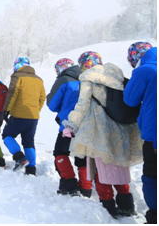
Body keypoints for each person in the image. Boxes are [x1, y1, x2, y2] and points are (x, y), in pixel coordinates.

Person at [62, 51, 142, 218]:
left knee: (101, 170)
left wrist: (71, 125)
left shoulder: (88, 78)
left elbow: (82, 105)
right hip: (122, 131)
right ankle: (127, 206)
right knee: (119, 166)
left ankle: (107, 209)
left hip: (99, 132)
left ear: (84, 64)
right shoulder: (117, 76)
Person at [46, 58, 91, 197]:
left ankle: (69, 184)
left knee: (60, 152)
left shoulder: (63, 80)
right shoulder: (86, 78)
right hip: (86, 124)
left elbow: (52, 104)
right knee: (82, 155)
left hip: (68, 125)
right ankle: (86, 188)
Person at [124, 42, 156, 224]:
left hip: (154, 135)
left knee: (151, 176)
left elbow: (130, 99)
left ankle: (154, 216)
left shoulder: (145, 71)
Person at [2, 57, 46, 175]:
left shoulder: (17, 77)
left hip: (18, 115)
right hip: (33, 117)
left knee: (7, 135)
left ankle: (20, 157)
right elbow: (42, 98)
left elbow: (12, 94)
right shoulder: (39, 80)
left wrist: (6, 110)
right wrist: (35, 110)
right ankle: (31, 168)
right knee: (29, 141)